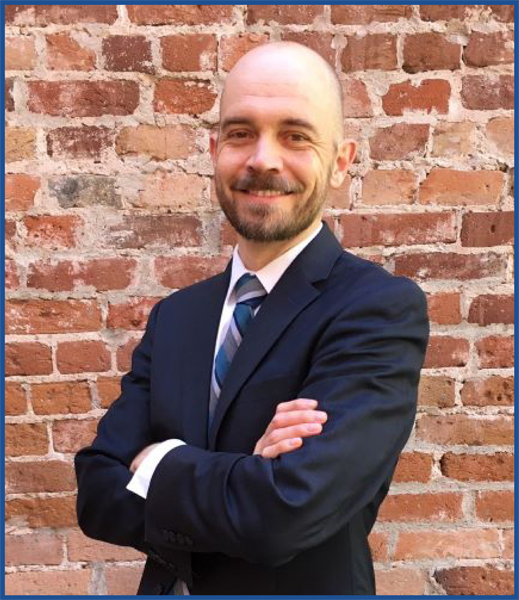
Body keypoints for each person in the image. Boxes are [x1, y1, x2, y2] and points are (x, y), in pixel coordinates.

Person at [75, 42, 429, 595]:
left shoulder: (377, 309)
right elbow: (97, 495)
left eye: (295, 135)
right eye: (241, 133)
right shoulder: (177, 316)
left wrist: (156, 461)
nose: (263, 159)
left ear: (340, 162)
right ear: (215, 149)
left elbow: (284, 512)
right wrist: (246, 475)